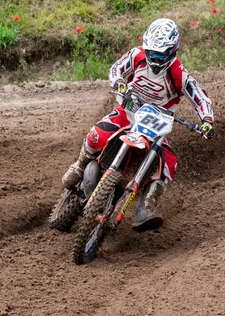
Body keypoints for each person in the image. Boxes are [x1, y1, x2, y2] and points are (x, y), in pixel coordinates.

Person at [62, 18, 215, 232]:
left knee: (168, 163)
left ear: (172, 51)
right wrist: (120, 82)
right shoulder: (137, 55)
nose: (154, 57)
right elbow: (116, 69)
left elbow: (201, 98)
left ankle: (145, 209)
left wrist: (207, 121)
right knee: (99, 133)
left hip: (157, 127)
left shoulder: (180, 75)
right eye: (152, 51)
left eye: (160, 54)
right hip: (129, 111)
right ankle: (79, 166)